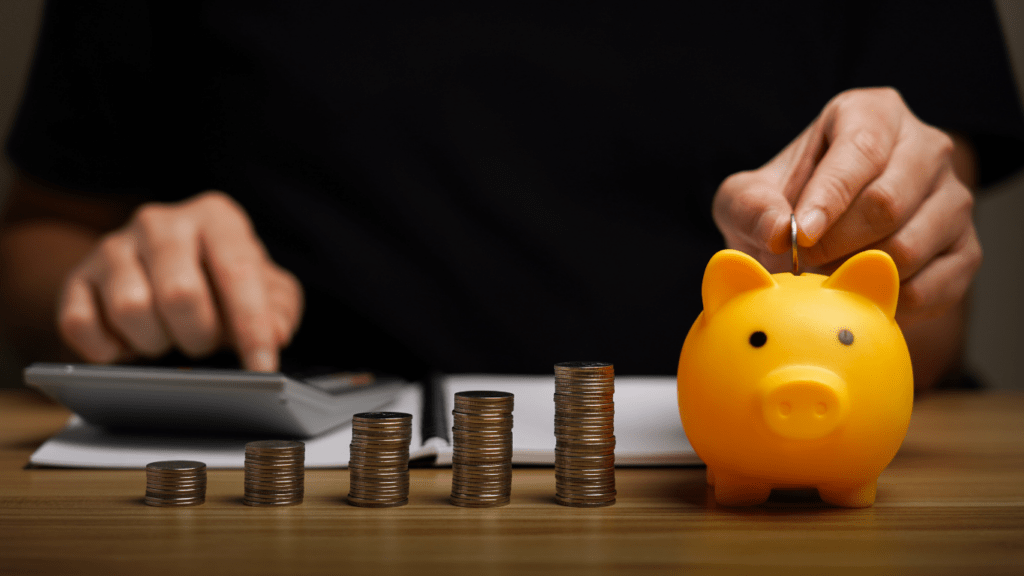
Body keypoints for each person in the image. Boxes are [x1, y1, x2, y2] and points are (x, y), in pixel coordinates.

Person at [2, 1, 1023, 390]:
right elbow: (38, 242)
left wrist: (885, 242)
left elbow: (926, 318)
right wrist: (115, 280)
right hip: (294, 492)